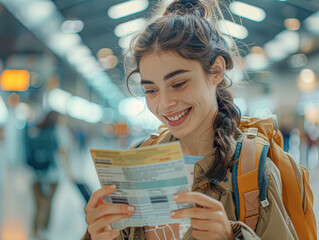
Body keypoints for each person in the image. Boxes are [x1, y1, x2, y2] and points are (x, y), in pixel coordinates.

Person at [82, 0, 314, 239]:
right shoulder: (137, 162)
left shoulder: (254, 170)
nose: (164, 104)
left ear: (216, 71)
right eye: (151, 90)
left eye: (178, 84)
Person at [26, 111, 74, 239]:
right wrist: (69, 172)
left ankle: (35, 230)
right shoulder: (59, 130)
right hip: (52, 175)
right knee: (47, 203)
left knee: (38, 205)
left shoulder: (37, 127)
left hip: (35, 174)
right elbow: (63, 151)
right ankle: (44, 230)